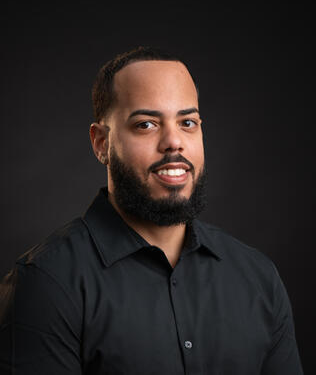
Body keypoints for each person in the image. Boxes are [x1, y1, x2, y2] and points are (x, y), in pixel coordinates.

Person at [0, 46, 304, 374]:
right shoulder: (47, 283)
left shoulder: (259, 277)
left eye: (188, 122)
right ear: (101, 143)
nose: (174, 142)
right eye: (146, 125)